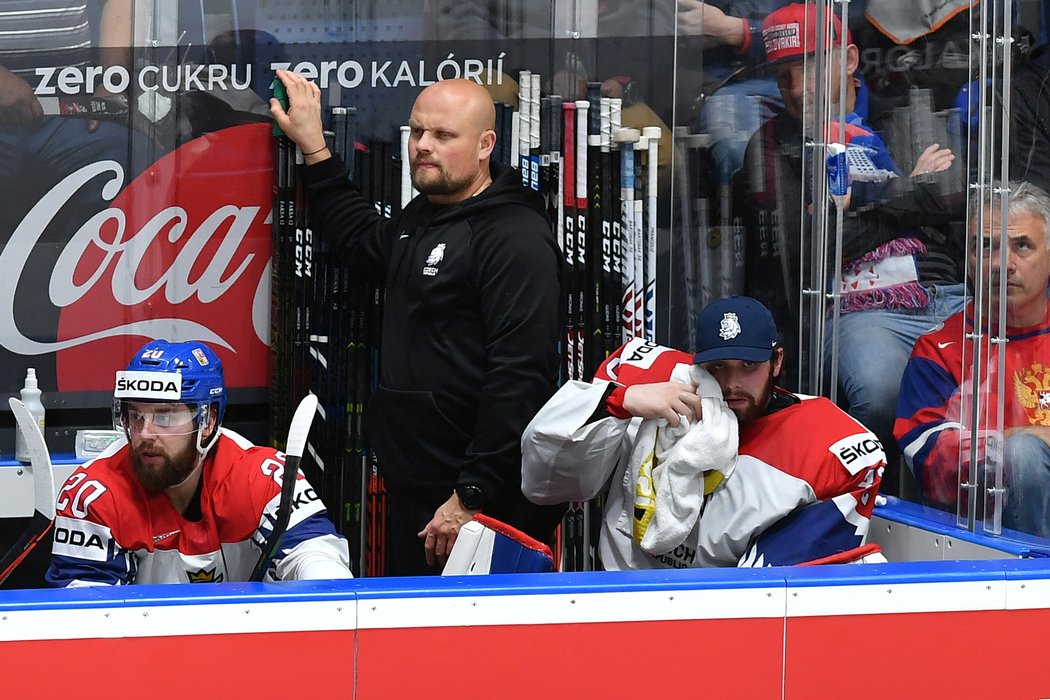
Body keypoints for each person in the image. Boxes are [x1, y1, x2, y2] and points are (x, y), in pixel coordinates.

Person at [270, 73, 565, 575]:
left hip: (478, 511)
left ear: (484, 145)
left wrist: (470, 496)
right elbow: (362, 241)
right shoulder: (423, 217)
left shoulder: (515, 238)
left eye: (443, 136)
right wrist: (315, 147)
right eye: (416, 132)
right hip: (421, 499)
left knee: (477, 650)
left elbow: (521, 379)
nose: (423, 146)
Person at [733, 2, 967, 493]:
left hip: (943, 292)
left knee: (1005, 383)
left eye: (810, 69)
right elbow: (804, 248)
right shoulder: (772, 144)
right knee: (881, 394)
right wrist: (906, 190)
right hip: (851, 309)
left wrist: (848, 207)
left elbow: (948, 198)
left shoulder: (900, 110)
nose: (798, 90)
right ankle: (873, 514)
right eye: (784, 78)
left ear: (850, 59)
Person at [522, 295, 884, 569]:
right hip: (619, 602)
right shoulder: (648, 381)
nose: (732, 383)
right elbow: (543, 481)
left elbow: (772, 591)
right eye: (718, 366)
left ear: (777, 362)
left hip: (722, 629)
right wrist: (620, 401)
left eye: (748, 365)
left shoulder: (828, 447)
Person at [46, 339, 351, 586]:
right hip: (141, 653)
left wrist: (320, 582)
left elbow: (317, 556)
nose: (144, 433)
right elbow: (86, 614)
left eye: (164, 416)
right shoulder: (93, 493)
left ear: (208, 421)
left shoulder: (263, 477)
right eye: (135, 415)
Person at [896, 181, 1050, 537]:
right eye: (986, 247)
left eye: (1022, 246)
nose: (1002, 264)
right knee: (1023, 455)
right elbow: (930, 460)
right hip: (992, 544)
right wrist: (1025, 438)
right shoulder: (939, 350)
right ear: (968, 260)